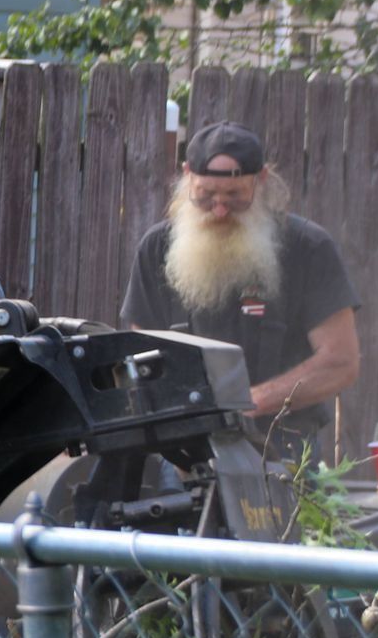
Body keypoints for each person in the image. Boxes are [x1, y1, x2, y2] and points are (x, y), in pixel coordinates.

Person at [122, 120, 360, 462]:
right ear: (187, 175)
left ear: (260, 180)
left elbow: (341, 363)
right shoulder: (156, 249)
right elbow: (141, 362)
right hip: (179, 456)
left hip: (283, 453)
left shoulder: (309, 248)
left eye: (235, 197)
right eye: (205, 197)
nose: (219, 210)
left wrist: (246, 404)